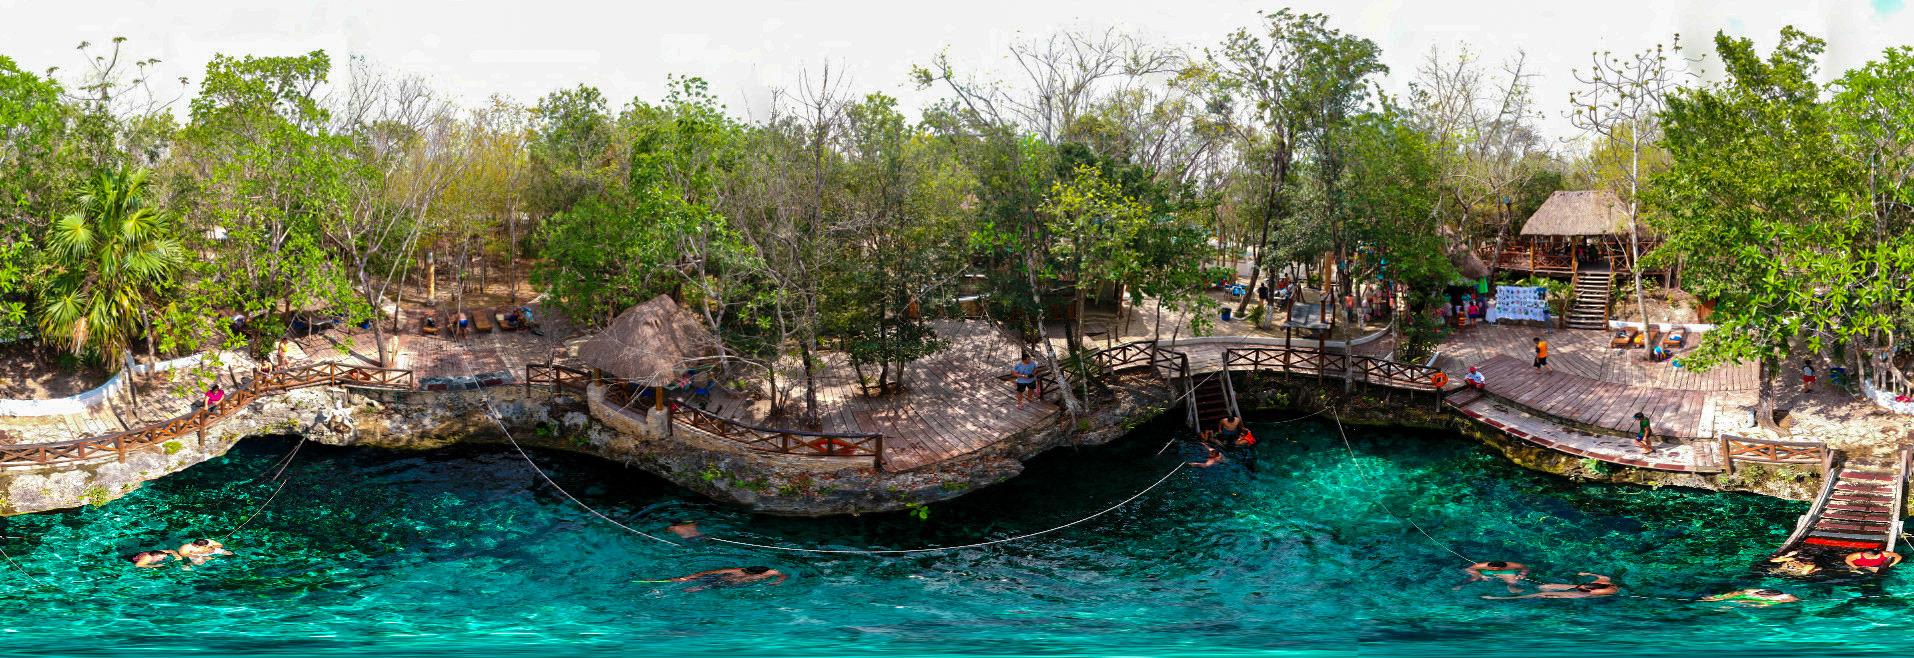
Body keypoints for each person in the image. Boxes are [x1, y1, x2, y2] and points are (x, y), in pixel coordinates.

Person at [1483, 573, 1618, 599]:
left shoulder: (1594, 593)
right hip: (1587, 589)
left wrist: (1556, 596)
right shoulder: (1602, 583)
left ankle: (1500, 598)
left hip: (1585, 595)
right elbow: (1605, 577)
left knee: (1543, 594)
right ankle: (1518, 589)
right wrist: (1586, 573)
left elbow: (1582, 593)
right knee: (1546, 586)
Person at [667, 566, 787, 592]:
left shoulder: (771, 572)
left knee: (710, 586)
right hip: (725, 578)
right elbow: (707, 571)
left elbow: (784, 575)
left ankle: (698, 589)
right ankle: (680, 581)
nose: (745, 572)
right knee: (704, 579)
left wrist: (777, 581)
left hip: (734, 584)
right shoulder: (738, 570)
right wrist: (686, 577)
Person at [1456, 561, 1530, 594]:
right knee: (1474, 578)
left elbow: (1525, 568)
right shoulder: (1483, 565)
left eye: (1495, 569)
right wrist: (1482, 575)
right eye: (1492, 568)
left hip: (1504, 571)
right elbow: (1468, 569)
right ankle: (1461, 585)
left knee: (1514, 581)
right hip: (1485, 571)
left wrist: (1523, 574)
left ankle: (1511, 587)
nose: (1493, 570)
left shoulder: (1510, 565)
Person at [1702, 589, 1801, 606]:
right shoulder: (1754, 591)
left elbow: (1798, 601)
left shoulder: (1785, 597)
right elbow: (1738, 592)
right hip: (1767, 599)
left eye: (1759, 595)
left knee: (1763, 605)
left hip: (1771, 602)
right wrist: (1721, 598)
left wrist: (1746, 601)